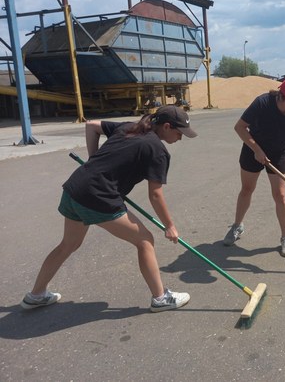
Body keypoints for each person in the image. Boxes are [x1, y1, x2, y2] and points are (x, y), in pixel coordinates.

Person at [20, 105, 198, 313]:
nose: (180, 138)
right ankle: (160, 298)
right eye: (179, 133)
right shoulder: (157, 150)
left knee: (68, 244)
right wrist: (169, 225)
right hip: (98, 196)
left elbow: (92, 126)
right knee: (145, 240)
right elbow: (155, 195)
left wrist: (93, 162)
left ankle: (36, 295)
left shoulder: (131, 127)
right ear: (167, 126)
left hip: (74, 189)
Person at [223, 77, 285, 257]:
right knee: (247, 189)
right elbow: (239, 127)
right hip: (252, 148)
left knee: (280, 195)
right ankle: (237, 226)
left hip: (279, 154)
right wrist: (256, 149)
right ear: (282, 96)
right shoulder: (262, 103)